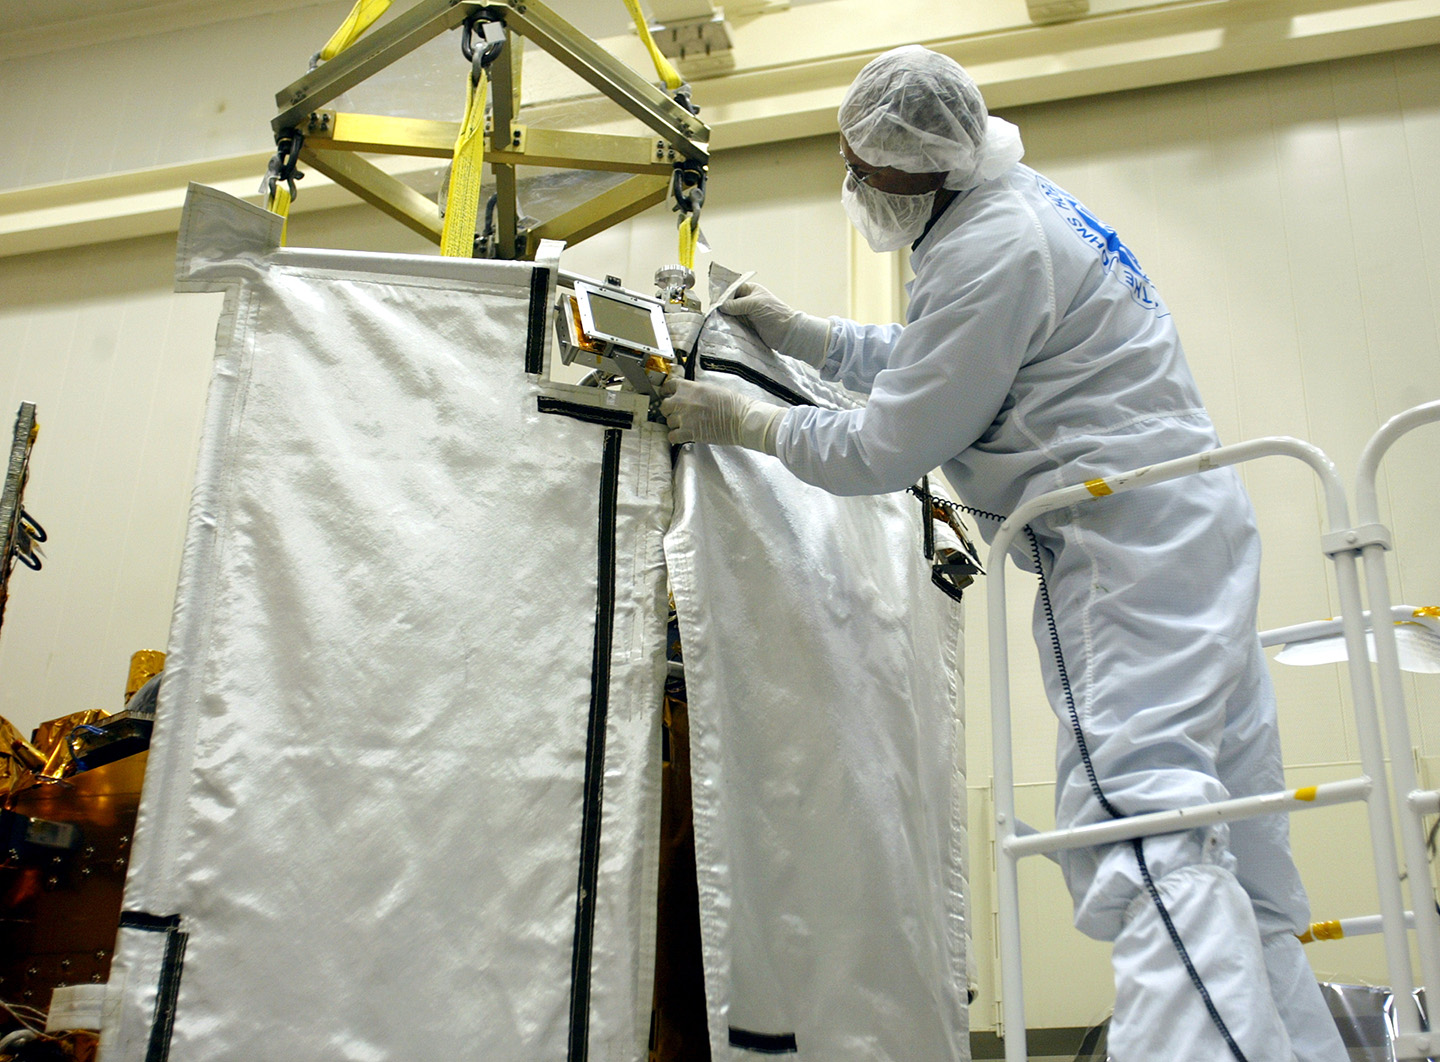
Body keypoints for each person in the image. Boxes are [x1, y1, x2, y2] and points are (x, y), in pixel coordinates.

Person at [660, 44, 1347, 1062]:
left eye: (865, 170)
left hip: (1114, 550)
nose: (854, 186)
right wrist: (806, 336)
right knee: (1237, 843)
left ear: (920, 165)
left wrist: (749, 424)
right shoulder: (1011, 207)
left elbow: (892, 444)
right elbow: (948, 356)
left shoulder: (990, 248)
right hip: (1190, 527)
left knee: (1142, 831)